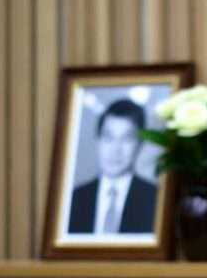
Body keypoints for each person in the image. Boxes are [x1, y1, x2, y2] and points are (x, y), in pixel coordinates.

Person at [68, 99, 158, 234]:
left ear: (140, 144)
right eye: (108, 138)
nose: (115, 149)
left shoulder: (156, 199)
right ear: (98, 141)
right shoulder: (74, 199)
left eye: (127, 139)